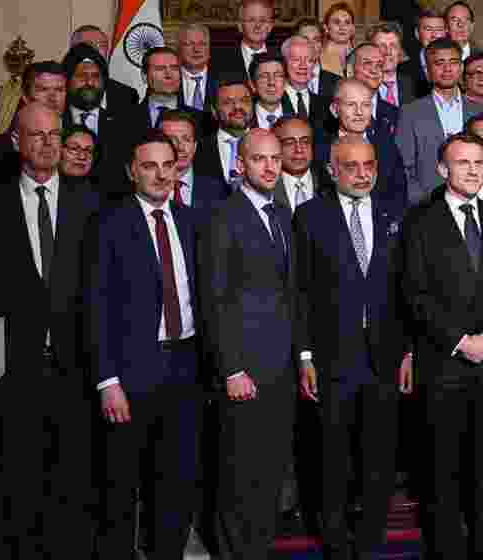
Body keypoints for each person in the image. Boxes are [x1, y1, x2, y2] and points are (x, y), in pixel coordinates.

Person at [0, 102, 101, 560]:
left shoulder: (91, 202)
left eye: (54, 135)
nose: (48, 144)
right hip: (15, 369)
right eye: (37, 135)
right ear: (17, 142)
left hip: (77, 369)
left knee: (75, 483)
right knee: (19, 482)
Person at [401, 133, 483, 560]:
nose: (474, 170)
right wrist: (460, 341)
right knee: (443, 470)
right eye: (463, 163)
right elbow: (414, 293)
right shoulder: (419, 220)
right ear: (443, 169)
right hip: (444, 365)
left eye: (479, 162)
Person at [294, 138, 411, 560]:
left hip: (383, 356)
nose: (362, 174)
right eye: (351, 167)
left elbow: (407, 289)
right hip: (331, 356)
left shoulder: (393, 214)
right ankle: (336, 544)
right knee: (332, 456)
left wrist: (408, 351)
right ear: (331, 171)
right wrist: (304, 355)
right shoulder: (309, 217)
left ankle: (371, 542)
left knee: (379, 456)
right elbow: (299, 291)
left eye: (368, 165)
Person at [89, 129, 203, 560]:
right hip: (130, 371)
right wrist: (107, 380)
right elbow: (96, 304)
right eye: (149, 166)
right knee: (121, 483)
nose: (160, 175)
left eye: (167, 166)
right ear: (131, 171)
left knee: (175, 481)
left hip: (186, 366)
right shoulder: (109, 223)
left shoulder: (192, 222)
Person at [199, 129, 305, 559]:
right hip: (243, 369)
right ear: (240, 165)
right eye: (259, 159)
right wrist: (231, 369)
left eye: (275, 159)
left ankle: (257, 551)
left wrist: (301, 358)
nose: (269, 166)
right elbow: (214, 297)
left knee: (269, 470)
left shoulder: (281, 214)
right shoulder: (222, 216)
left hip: (279, 368)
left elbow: (291, 292)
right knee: (239, 474)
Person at [106, 47, 213, 196]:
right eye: (160, 69)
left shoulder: (204, 120)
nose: (169, 74)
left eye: (174, 68)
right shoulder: (121, 122)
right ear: (144, 76)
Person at [395, 38, 482, 205]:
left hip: (476, 203)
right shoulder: (410, 113)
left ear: (461, 68)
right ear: (427, 71)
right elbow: (403, 168)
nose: (447, 68)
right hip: (428, 206)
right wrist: (424, 202)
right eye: (439, 63)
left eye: (453, 62)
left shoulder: (479, 111)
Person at [316, 75, 407, 204]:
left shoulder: (386, 145)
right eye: (351, 104)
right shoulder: (321, 147)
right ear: (334, 109)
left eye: (365, 105)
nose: (359, 112)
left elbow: (399, 193)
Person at [0, 61, 68, 187]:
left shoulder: (80, 138)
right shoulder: (2, 146)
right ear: (25, 97)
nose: (52, 97)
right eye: (43, 89)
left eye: (59, 90)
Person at [158, 109, 229, 214]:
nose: (180, 147)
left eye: (186, 139)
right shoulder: (146, 188)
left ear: (195, 146)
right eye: (171, 140)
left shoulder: (217, 190)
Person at [195, 78, 255, 192]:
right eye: (228, 102)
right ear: (214, 111)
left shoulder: (268, 144)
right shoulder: (198, 149)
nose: (237, 107)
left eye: (244, 101)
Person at [69, 24, 140, 113]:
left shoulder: (127, 95)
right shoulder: (57, 88)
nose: (96, 50)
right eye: (89, 45)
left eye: (102, 45)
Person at [62, 43, 116, 142]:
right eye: (82, 76)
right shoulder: (56, 119)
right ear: (67, 80)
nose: (90, 82)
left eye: (95, 76)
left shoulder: (122, 122)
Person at [211, 0, 275, 82]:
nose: (258, 26)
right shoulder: (219, 61)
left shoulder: (282, 57)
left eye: (263, 20)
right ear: (240, 26)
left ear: (270, 26)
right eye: (251, 20)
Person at [281, 35, 333, 131]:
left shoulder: (325, 105)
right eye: (296, 59)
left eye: (309, 60)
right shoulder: (274, 101)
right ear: (284, 63)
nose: (303, 66)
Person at [272, 115, 321, 209]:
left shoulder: (328, 184)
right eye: (289, 143)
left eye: (305, 141)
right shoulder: (265, 186)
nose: (299, 149)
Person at [368, 22, 418, 107]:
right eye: (381, 46)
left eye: (393, 46)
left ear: (400, 51)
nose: (388, 52)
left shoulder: (415, 86)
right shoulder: (361, 87)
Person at [403, 9, 446, 97]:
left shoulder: (457, 66)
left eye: (439, 29)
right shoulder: (402, 70)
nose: (434, 35)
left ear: (445, 33)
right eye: (428, 29)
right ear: (417, 33)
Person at [178, 23, 217, 111]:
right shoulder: (169, 79)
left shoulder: (223, 80)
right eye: (189, 44)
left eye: (202, 44)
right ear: (179, 48)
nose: (196, 49)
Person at [320, 2, 356, 77]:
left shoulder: (360, 57)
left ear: (352, 28)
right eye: (336, 22)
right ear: (326, 28)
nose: (342, 27)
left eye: (347, 22)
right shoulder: (317, 58)